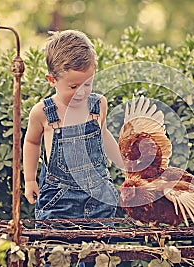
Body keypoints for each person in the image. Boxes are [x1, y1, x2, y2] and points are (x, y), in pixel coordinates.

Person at [23, 30, 123, 225]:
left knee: (98, 251)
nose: (81, 93)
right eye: (73, 86)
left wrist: (124, 164)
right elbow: (31, 142)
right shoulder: (43, 112)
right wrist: (30, 181)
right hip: (59, 200)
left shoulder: (98, 105)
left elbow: (102, 134)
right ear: (52, 80)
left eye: (88, 85)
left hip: (98, 196)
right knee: (55, 250)